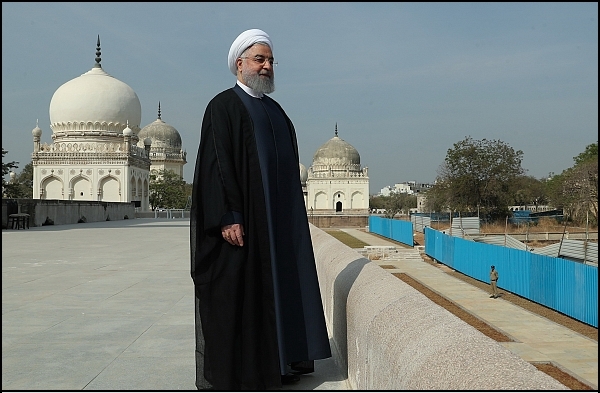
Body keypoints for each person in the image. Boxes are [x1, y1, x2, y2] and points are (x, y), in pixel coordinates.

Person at [190, 28, 332, 390]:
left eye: (270, 60)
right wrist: (228, 215)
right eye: (259, 59)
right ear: (240, 65)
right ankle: (246, 371)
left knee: (282, 289)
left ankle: (282, 361)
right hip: (245, 223)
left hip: (278, 224)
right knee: (243, 297)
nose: (267, 66)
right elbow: (216, 164)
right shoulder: (223, 106)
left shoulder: (275, 111)